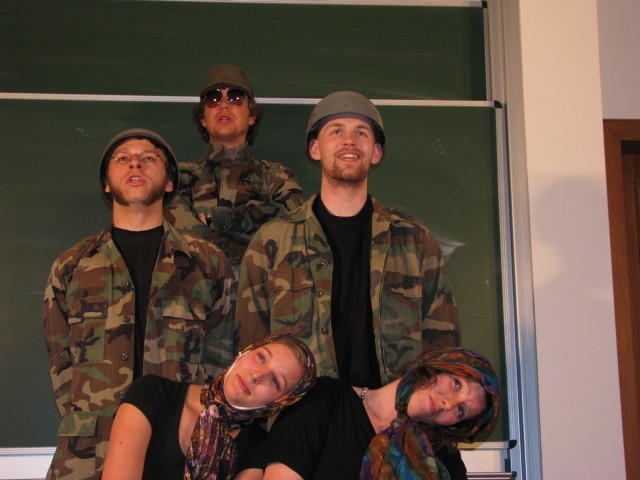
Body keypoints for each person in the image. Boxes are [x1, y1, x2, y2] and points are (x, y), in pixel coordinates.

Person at [43, 129, 236, 480]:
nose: (135, 163)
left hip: (178, 454)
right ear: (106, 183)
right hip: (88, 458)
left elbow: (220, 362)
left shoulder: (207, 263)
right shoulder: (71, 266)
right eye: (122, 158)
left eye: (148, 158)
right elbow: (61, 364)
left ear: (169, 182)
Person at [236, 90, 460, 387]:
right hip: (304, 411)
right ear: (315, 149)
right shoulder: (272, 241)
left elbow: (443, 347)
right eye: (336, 131)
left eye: (361, 132)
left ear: (376, 153)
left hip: (391, 411)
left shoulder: (414, 241)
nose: (349, 141)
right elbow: (250, 345)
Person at [262, 347, 500, 480]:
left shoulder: (444, 464)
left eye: (461, 411)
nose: (448, 404)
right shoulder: (326, 398)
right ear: (438, 365)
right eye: (457, 384)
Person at [102, 333, 316, 480]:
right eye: (261, 357)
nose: (257, 375)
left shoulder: (259, 450)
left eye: (275, 381)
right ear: (245, 351)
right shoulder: (153, 393)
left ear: (279, 402)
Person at [164, 64, 304, 274]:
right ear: (203, 119)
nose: (224, 105)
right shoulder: (178, 177)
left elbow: (291, 225)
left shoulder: (277, 177)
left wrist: (221, 218)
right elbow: (180, 236)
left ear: (251, 116)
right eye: (213, 99)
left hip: (262, 290)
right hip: (199, 291)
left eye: (235, 98)